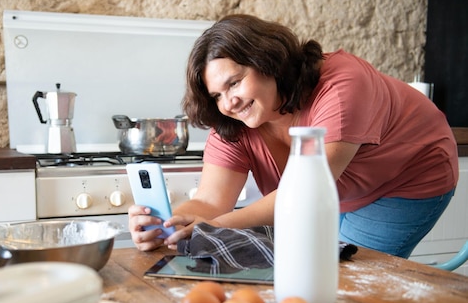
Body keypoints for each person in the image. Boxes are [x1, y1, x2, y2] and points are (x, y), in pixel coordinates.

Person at [128, 14, 459, 259]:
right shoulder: (234, 119)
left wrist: (214, 228)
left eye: (234, 82)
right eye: (216, 95)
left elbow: (304, 191)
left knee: (351, 276)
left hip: (408, 179)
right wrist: (171, 225)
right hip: (336, 190)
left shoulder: (342, 88)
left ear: (268, 62)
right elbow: (211, 202)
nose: (228, 103)